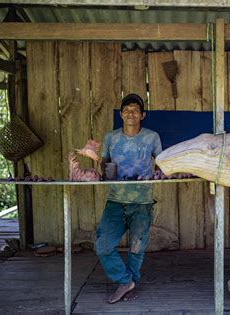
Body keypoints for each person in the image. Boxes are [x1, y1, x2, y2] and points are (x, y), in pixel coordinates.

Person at [95, 93, 162, 304]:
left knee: (136, 248)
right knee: (102, 245)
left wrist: (157, 173)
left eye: (135, 110)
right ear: (121, 115)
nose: (130, 114)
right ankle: (125, 281)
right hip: (116, 200)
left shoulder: (152, 137)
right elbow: (104, 165)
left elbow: (161, 163)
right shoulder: (111, 137)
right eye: (126, 110)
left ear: (142, 115)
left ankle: (128, 285)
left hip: (143, 202)